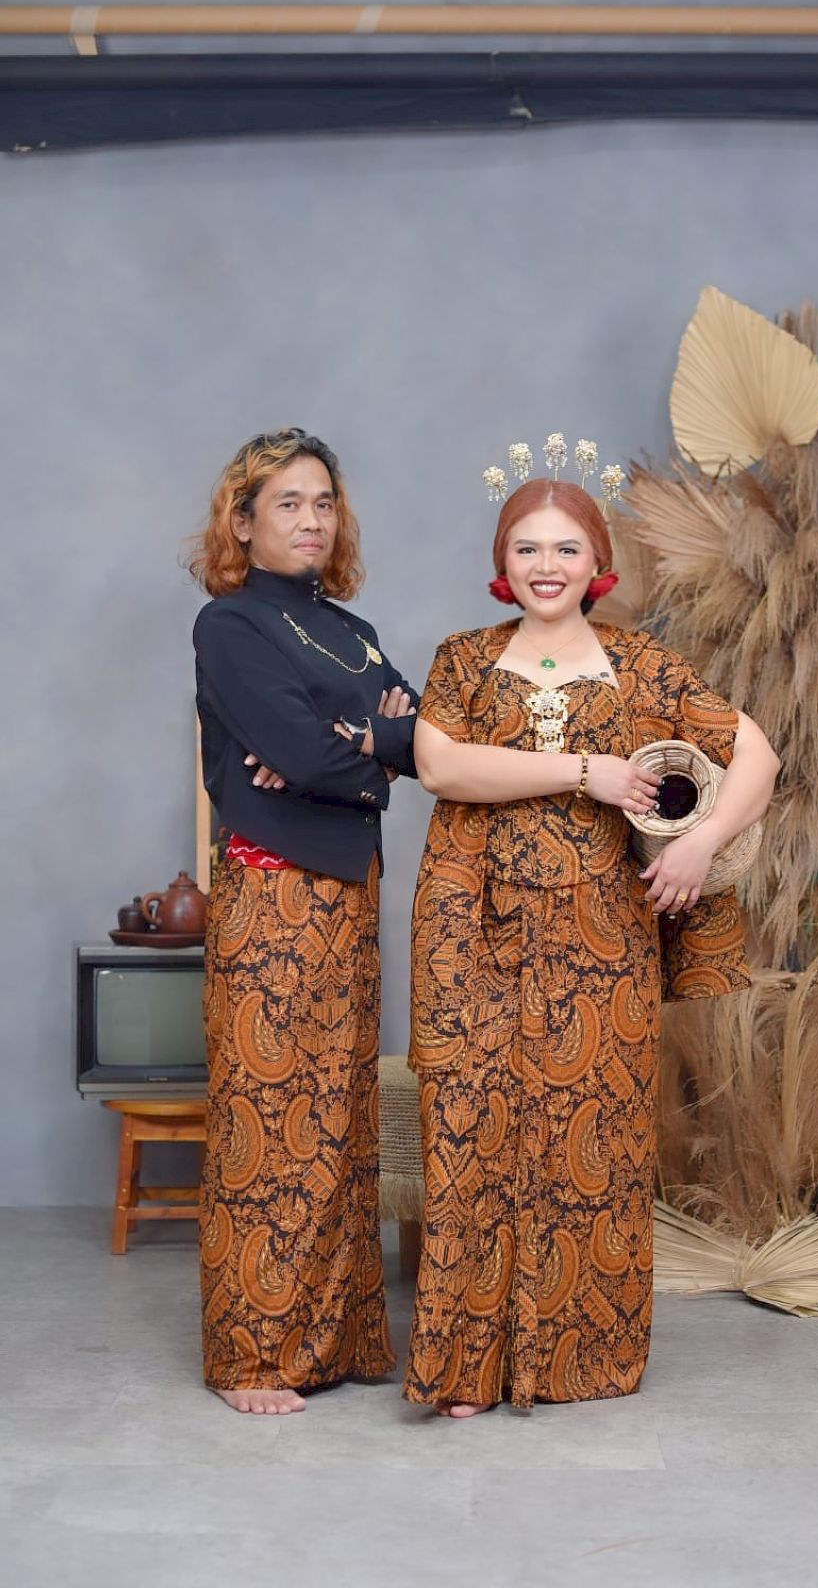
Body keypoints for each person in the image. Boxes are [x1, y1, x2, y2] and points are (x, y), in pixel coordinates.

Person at [403, 460, 778, 1416]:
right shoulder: (461, 659)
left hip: (601, 936)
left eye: (566, 548)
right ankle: (468, 1367)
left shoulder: (644, 664)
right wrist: (585, 772)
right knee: (471, 1131)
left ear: (596, 561)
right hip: (472, 928)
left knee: (593, 1138)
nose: (546, 564)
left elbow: (758, 755)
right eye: (526, 548)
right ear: (502, 562)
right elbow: (441, 767)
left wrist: (700, 842)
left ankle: (576, 1361)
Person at [188, 428, 419, 1414]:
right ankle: (251, 1355)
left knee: (338, 1123)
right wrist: (369, 753)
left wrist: (357, 748)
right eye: (288, 502)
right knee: (269, 1121)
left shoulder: (352, 630)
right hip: (274, 900)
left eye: (324, 501)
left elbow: (425, 730)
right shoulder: (230, 625)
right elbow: (314, 752)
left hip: (351, 897)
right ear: (243, 521)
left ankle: (335, 1340)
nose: (312, 519)